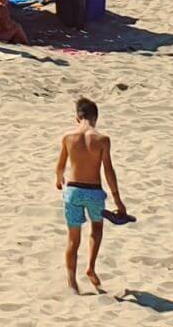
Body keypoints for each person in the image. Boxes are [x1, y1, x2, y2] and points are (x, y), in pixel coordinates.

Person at [55, 97, 126, 294]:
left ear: (77, 117)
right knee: (96, 229)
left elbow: (60, 166)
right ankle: (91, 267)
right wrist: (118, 200)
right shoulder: (102, 140)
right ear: (95, 118)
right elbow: (108, 171)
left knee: (72, 238)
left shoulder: (68, 137)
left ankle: (72, 283)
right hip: (94, 192)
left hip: (73, 191)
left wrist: (59, 180)